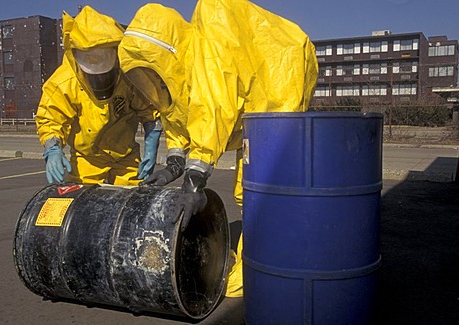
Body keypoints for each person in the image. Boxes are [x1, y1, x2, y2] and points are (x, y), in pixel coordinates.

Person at [118, 0, 318, 297]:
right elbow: (180, 113)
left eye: (150, 75)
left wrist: (194, 178)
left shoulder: (209, 47)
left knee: (258, 188)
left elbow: (213, 107)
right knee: (252, 188)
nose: (149, 86)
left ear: (168, 54)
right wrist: (174, 162)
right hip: (246, 104)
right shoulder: (180, 70)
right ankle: (267, 253)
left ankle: (262, 267)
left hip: (280, 79)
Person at [36, 5, 160, 186]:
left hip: (125, 157)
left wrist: (152, 144)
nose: (100, 79)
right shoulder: (63, 83)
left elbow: (150, 109)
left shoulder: (128, 76)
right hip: (87, 160)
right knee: (85, 206)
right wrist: (53, 149)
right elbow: (51, 119)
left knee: (130, 204)